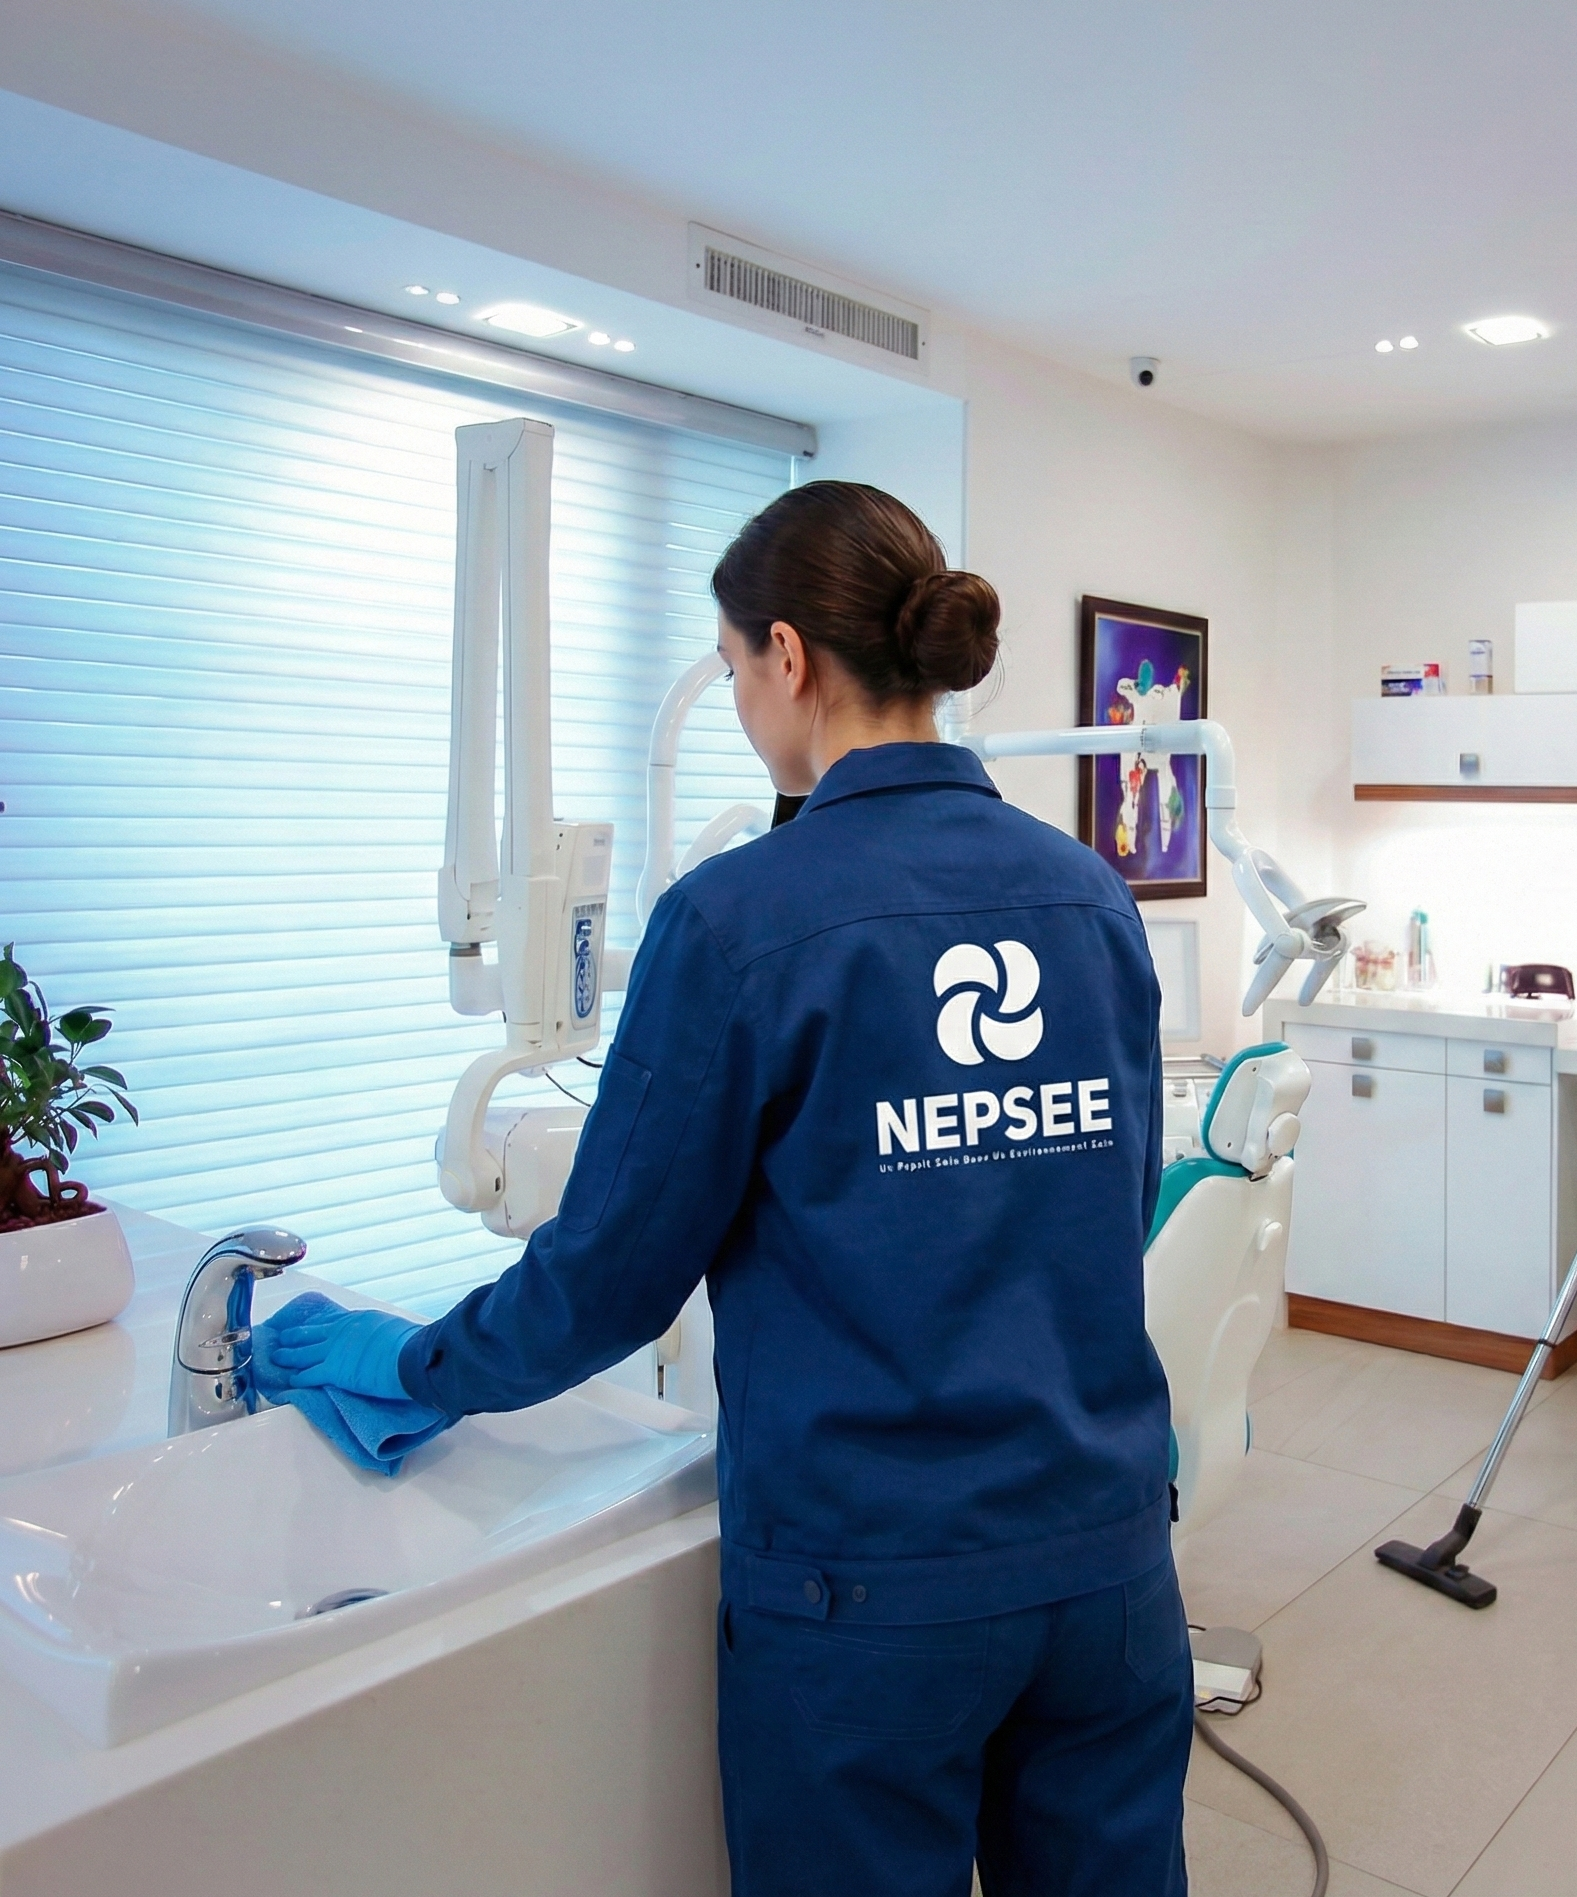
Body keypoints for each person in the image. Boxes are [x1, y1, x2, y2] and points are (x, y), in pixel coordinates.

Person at [263, 482, 1191, 1895]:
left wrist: (408, 1363)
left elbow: (607, 1278)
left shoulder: (738, 917)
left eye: (736, 667)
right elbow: (1115, 1202)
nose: (744, 703)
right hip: (1106, 1564)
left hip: (870, 1591)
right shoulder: (1088, 894)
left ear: (788, 656)